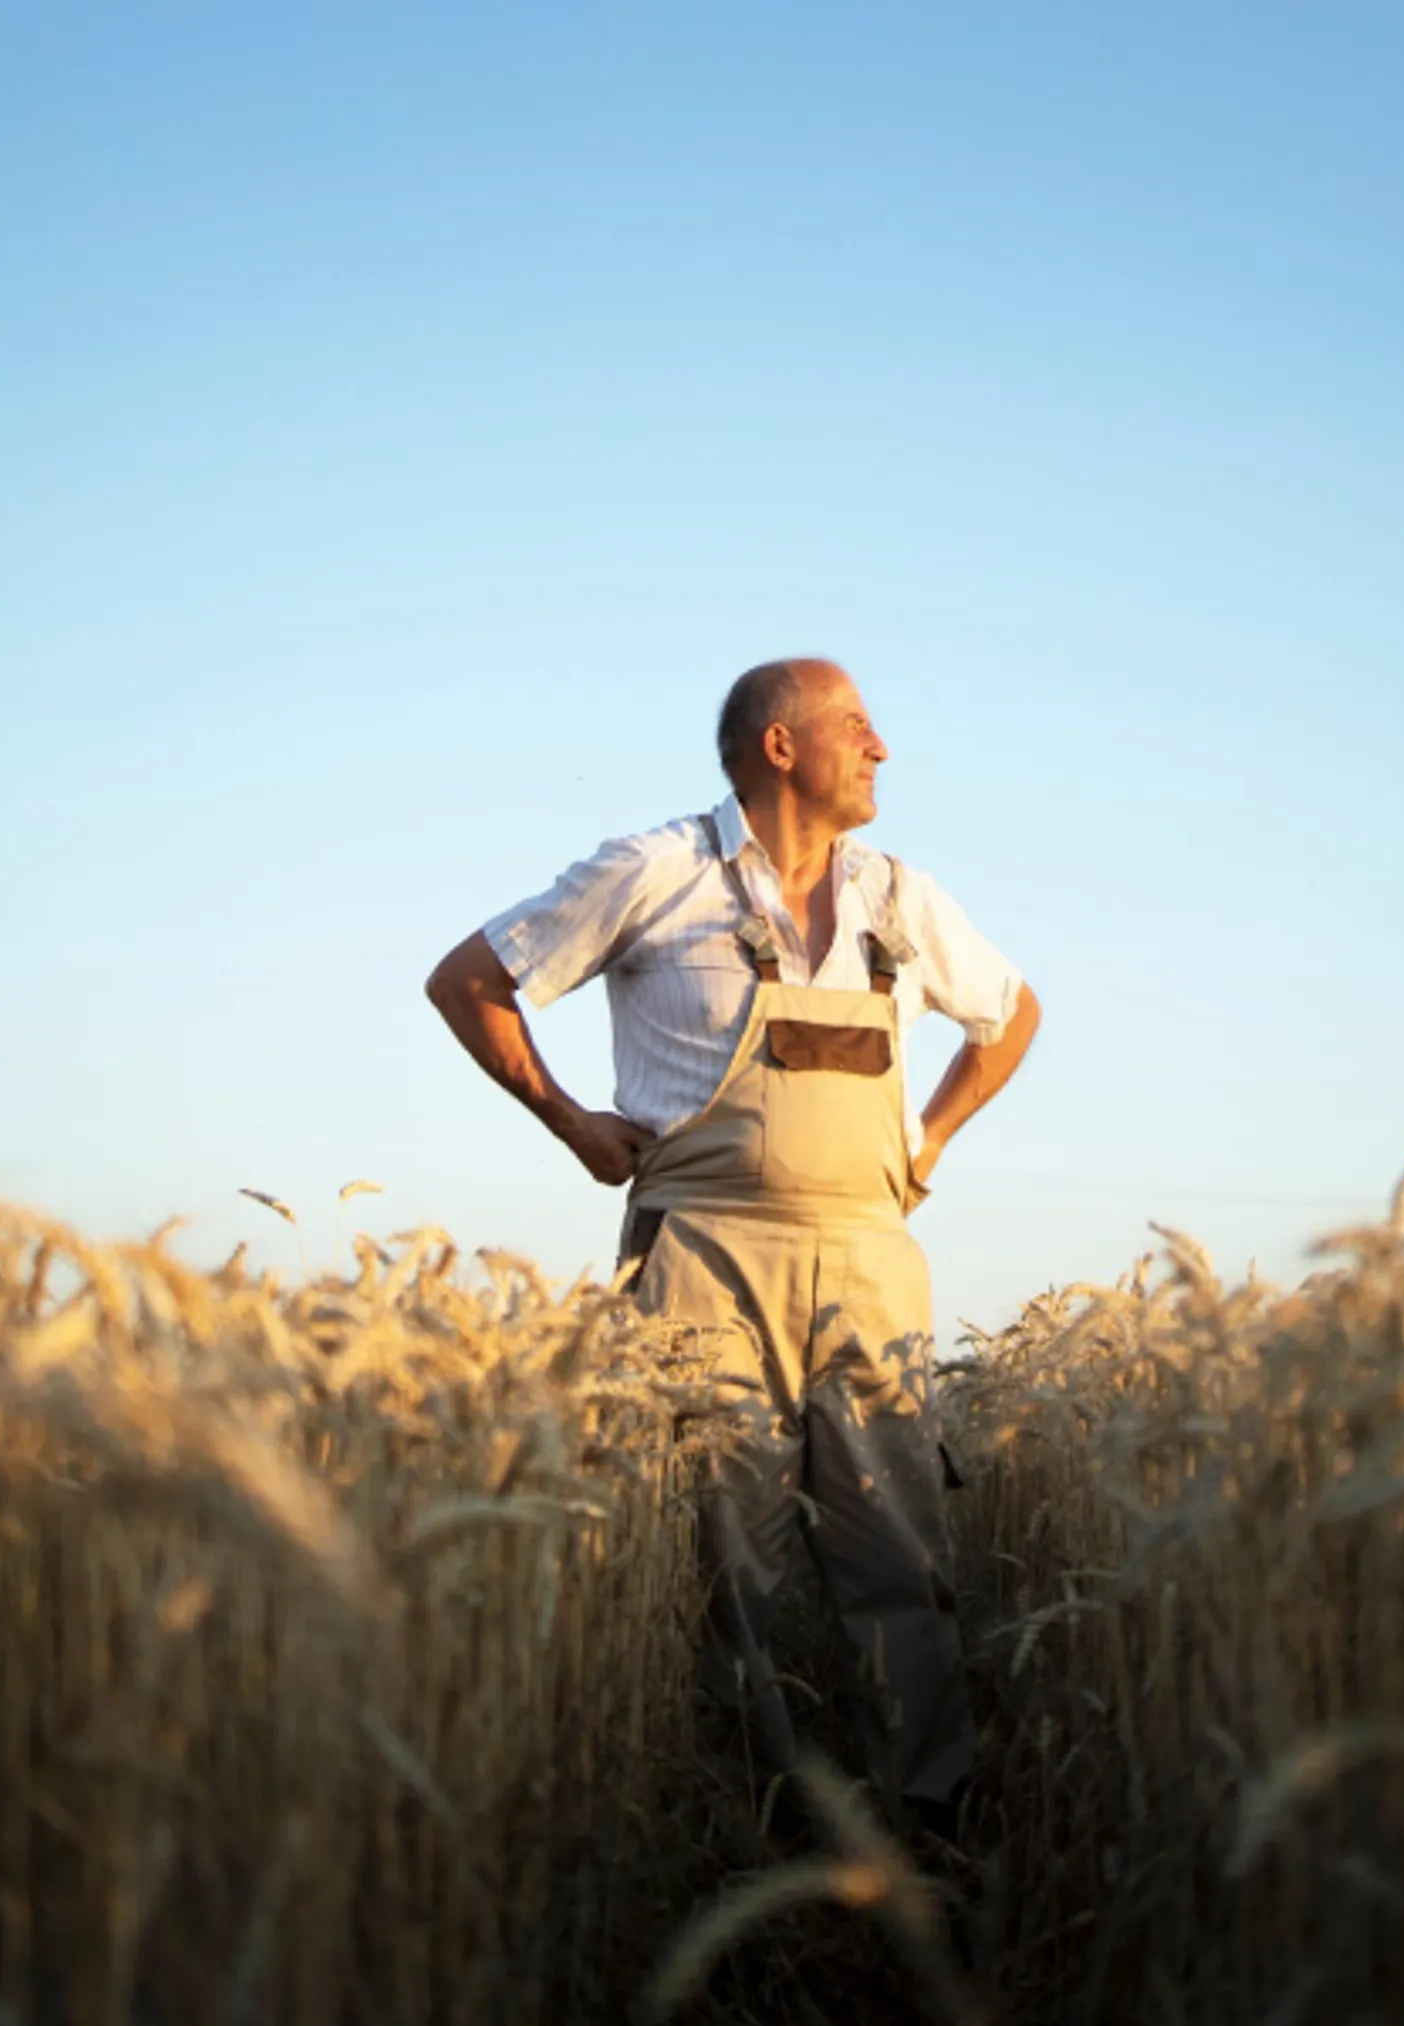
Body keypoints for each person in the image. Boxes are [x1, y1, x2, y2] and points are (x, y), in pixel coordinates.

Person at [424, 657, 1040, 1837]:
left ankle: (926, 1827)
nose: (883, 749)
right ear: (780, 746)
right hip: (701, 1257)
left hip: (870, 1259)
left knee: (899, 1551)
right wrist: (570, 1122)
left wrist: (932, 1140)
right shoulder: (655, 871)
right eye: (858, 727)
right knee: (726, 1561)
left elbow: (1012, 1014)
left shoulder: (899, 897)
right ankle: (747, 1835)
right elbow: (470, 981)